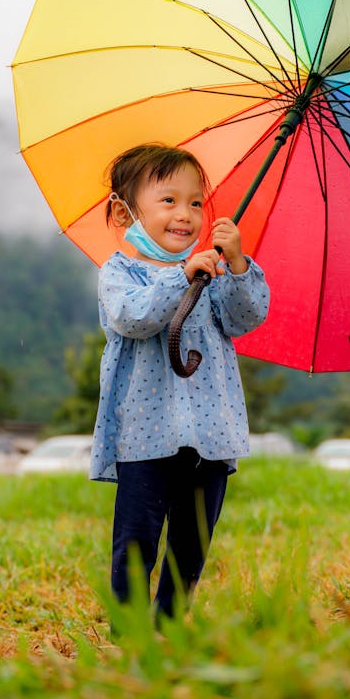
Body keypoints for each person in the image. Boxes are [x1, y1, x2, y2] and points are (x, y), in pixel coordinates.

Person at [90, 143, 270, 621]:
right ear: (122, 212)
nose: (185, 215)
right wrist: (179, 278)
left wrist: (235, 264)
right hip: (144, 436)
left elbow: (245, 316)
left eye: (195, 202)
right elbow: (133, 318)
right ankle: (130, 631)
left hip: (210, 435)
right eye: (168, 200)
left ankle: (168, 624)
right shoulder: (119, 273)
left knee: (191, 543)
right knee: (137, 540)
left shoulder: (211, 271)